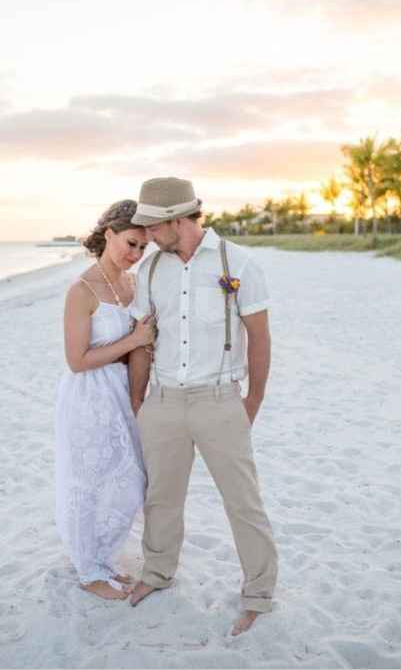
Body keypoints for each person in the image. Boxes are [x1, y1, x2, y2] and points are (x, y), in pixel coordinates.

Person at [127, 177, 278, 635]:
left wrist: (251, 400)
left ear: (177, 219)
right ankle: (156, 572)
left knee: (243, 503)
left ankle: (258, 594)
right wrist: (139, 401)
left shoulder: (239, 262)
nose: (147, 237)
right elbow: (142, 341)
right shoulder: (152, 272)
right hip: (165, 401)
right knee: (161, 498)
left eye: (153, 227)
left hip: (220, 401)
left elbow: (259, 336)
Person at [55, 199, 155, 600]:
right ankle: (89, 570)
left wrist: (138, 396)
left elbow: (143, 347)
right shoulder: (81, 290)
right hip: (89, 395)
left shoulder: (134, 285)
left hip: (124, 392)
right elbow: (77, 360)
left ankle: (104, 558)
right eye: (131, 244)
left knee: (129, 480)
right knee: (89, 481)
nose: (136, 255)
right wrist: (133, 339)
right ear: (108, 234)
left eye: (143, 248)